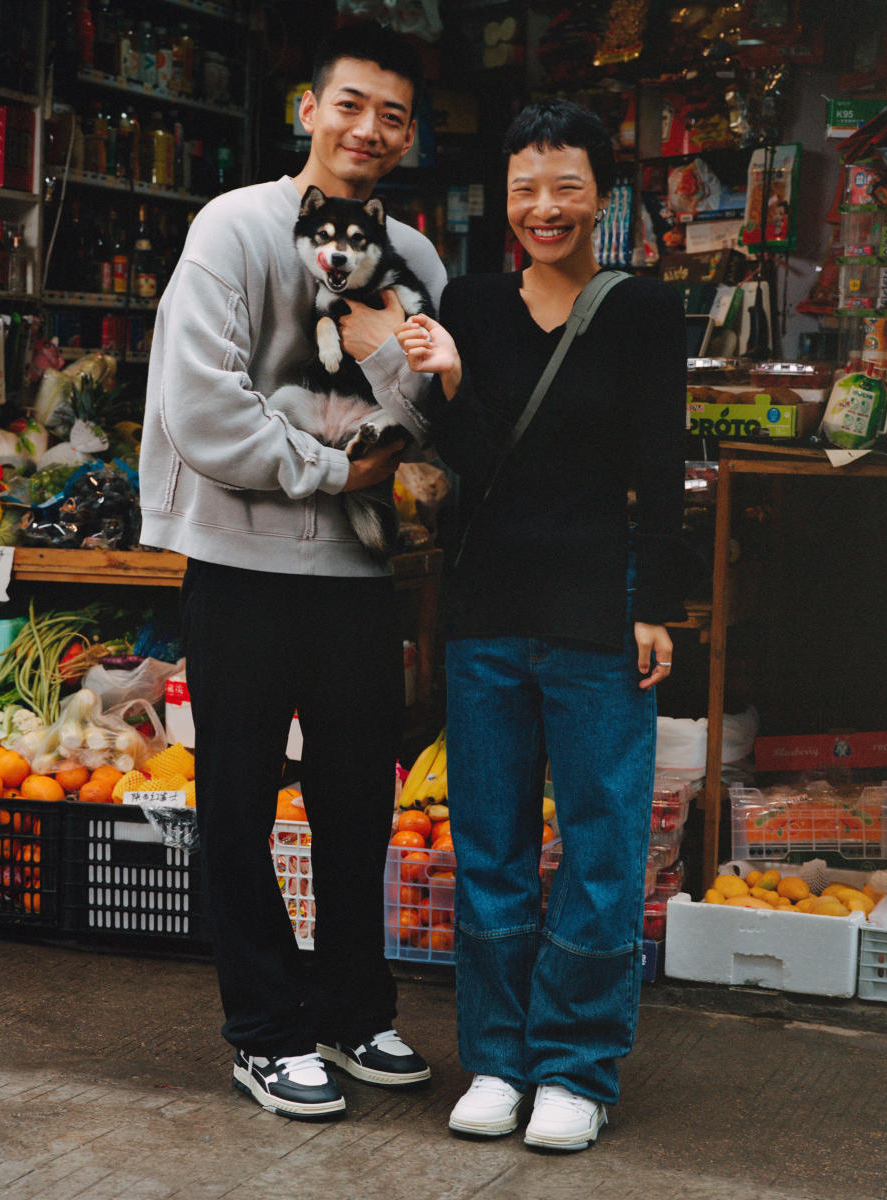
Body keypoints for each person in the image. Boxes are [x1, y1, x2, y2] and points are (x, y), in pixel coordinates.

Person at [138, 21, 447, 1121]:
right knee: (234, 798)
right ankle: (264, 1033)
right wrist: (331, 465)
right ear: (308, 110)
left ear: (409, 136)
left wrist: (377, 372)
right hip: (241, 563)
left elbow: (417, 413)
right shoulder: (234, 228)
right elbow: (201, 408)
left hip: (361, 579)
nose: (370, 127)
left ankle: (353, 1009)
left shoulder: (420, 261)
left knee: (358, 800)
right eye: (351, 103)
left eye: (393, 114)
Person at [398, 98, 686, 1151]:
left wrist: (660, 604)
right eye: (526, 189)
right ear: (505, 201)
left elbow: (663, 465)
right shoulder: (470, 301)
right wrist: (459, 379)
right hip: (487, 611)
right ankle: (499, 1059)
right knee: (492, 846)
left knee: (604, 844)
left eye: (565, 187)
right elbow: (469, 460)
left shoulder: (644, 310)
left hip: (597, 608)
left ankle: (576, 1066)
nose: (544, 208)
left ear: (600, 197)